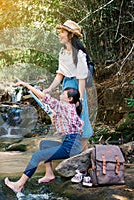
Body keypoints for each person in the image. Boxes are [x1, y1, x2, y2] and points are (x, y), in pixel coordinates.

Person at [4, 80, 83, 193]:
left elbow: (44, 97)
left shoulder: (65, 107)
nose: (60, 95)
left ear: (70, 99)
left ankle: (19, 185)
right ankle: (49, 174)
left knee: (37, 156)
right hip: (70, 143)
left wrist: (26, 85)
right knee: (44, 144)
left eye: (63, 94)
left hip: (70, 146)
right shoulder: (68, 108)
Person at [43, 20, 93, 152]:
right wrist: (50, 89)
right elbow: (60, 74)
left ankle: (83, 158)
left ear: (70, 35)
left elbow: (81, 79)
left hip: (76, 89)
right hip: (66, 87)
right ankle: (74, 155)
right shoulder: (63, 53)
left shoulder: (80, 55)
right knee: (67, 120)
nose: (60, 34)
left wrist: (80, 100)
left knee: (80, 119)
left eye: (62, 32)